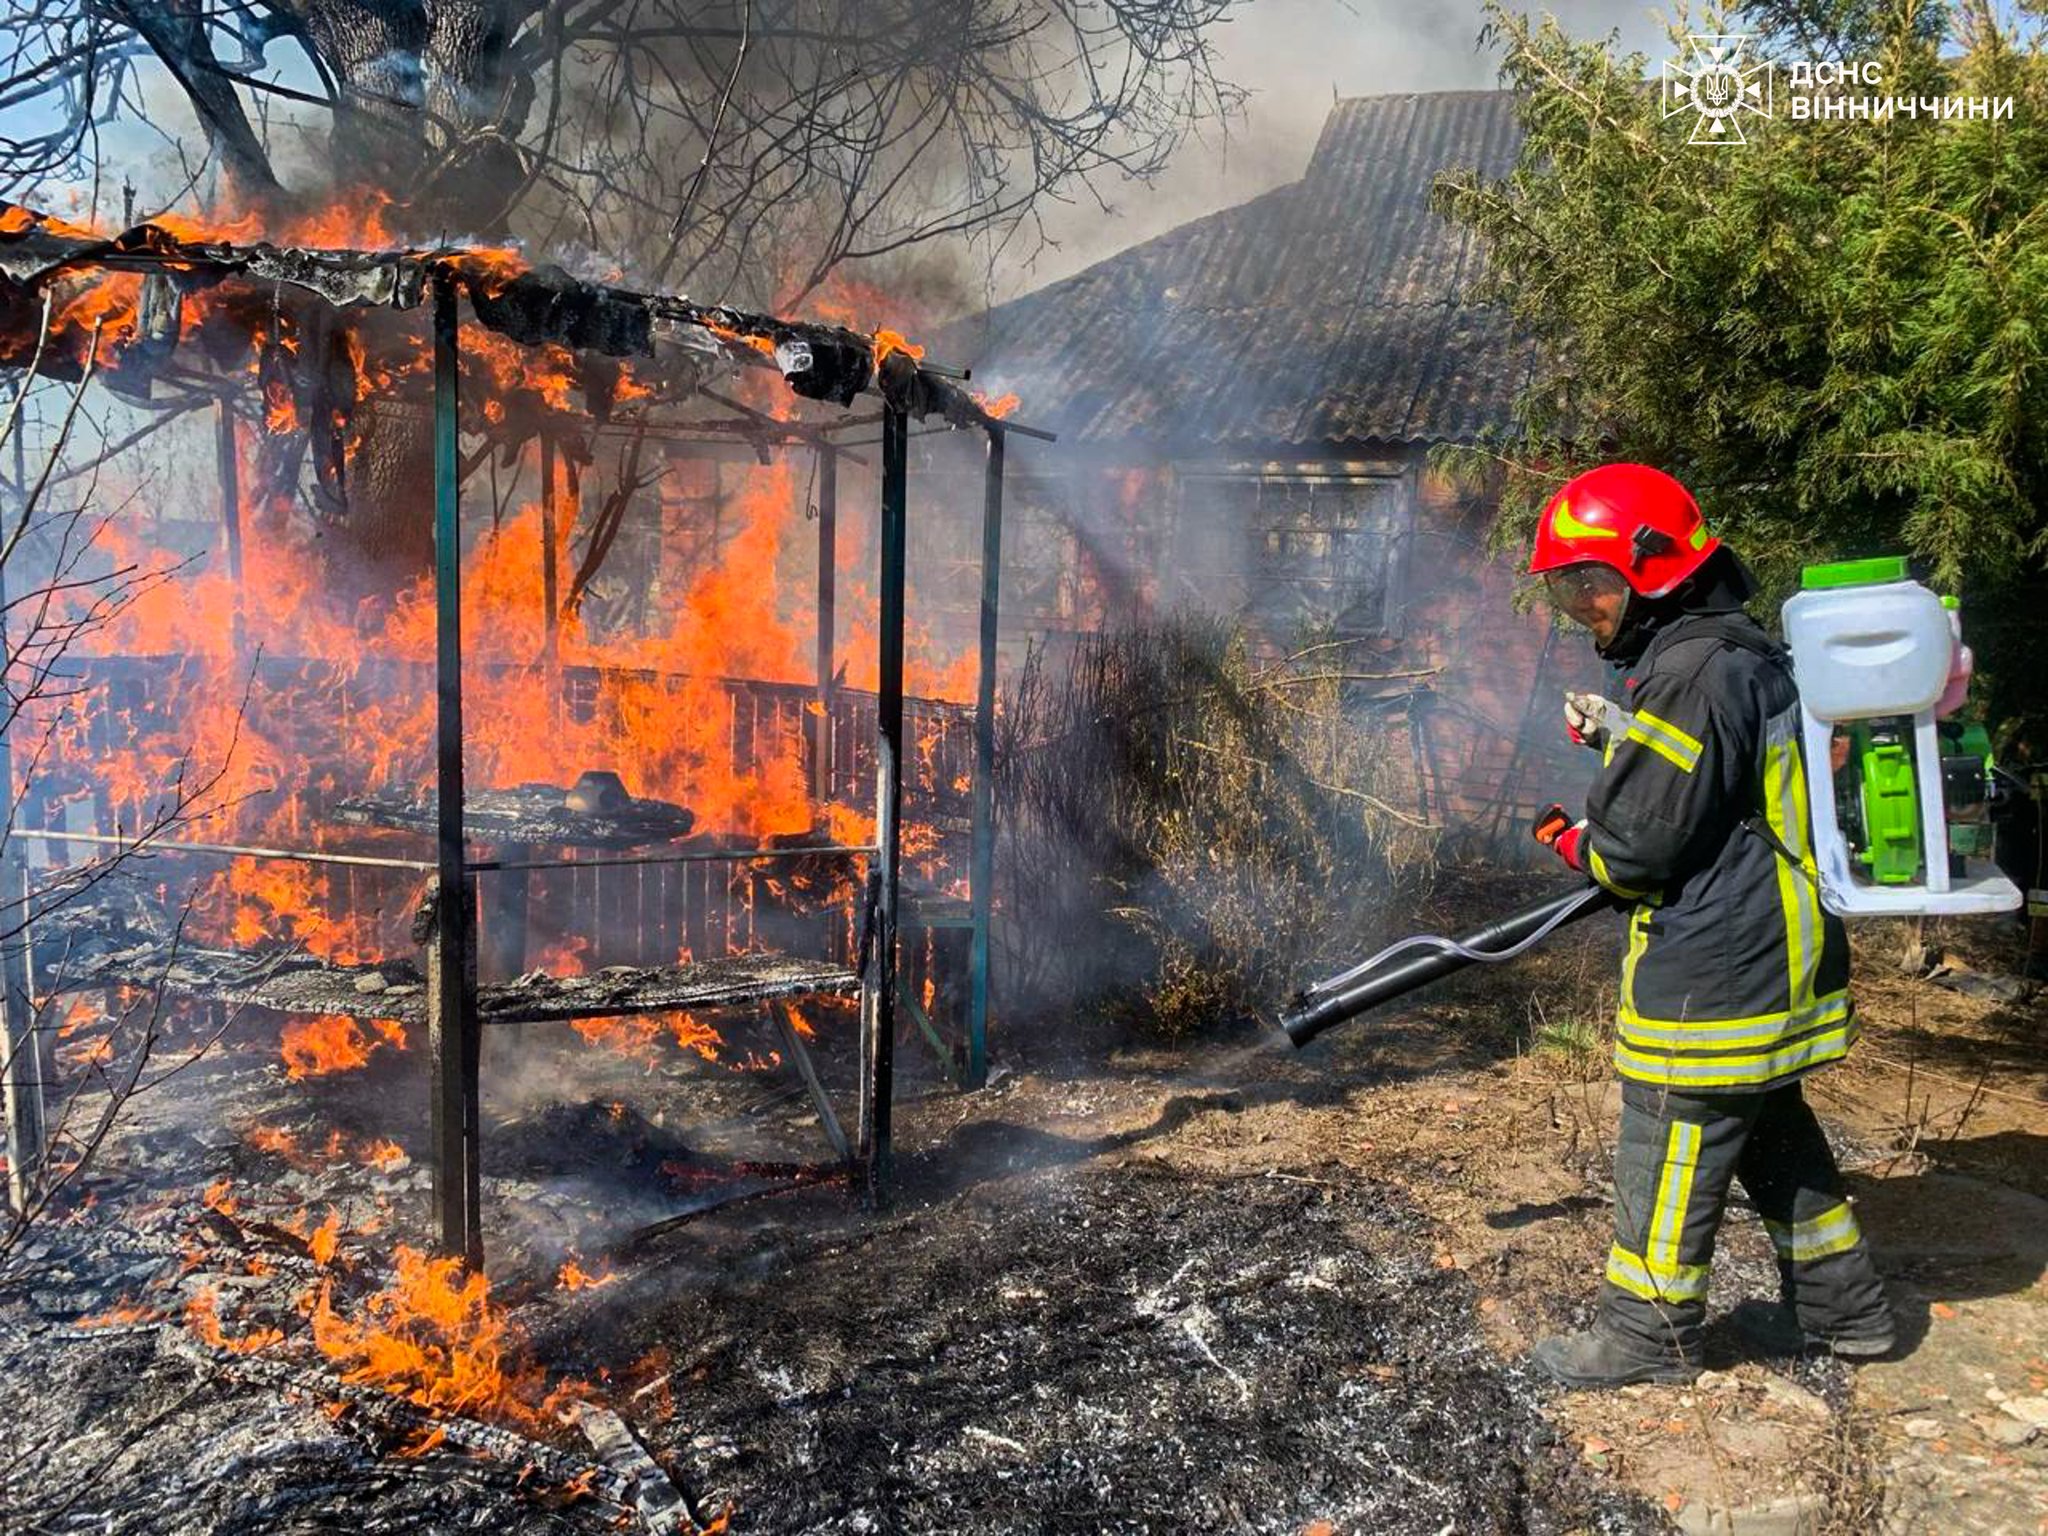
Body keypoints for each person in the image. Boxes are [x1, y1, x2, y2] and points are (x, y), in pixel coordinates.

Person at [1522, 462, 1895, 1389]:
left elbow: (1637, 849)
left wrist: (1573, 841)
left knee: (1668, 1138)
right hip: (1782, 951)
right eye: (1568, 590)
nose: (1582, 609)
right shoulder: (1737, 653)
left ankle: (1646, 1337)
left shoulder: (1689, 674)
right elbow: (1720, 788)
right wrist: (1623, 735)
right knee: (1771, 1131)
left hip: (1720, 969)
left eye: (1589, 583)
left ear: (1650, 568)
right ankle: (1846, 1312)